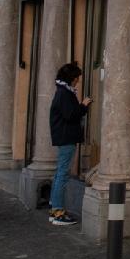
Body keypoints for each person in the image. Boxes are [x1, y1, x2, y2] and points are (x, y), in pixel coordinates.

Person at [48, 62, 91, 226]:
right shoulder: (65, 94)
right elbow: (70, 115)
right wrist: (84, 105)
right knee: (63, 174)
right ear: (72, 79)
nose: (78, 81)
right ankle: (58, 212)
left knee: (60, 173)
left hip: (64, 137)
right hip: (66, 137)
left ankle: (54, 209)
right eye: (77, 78)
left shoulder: (62, 92)